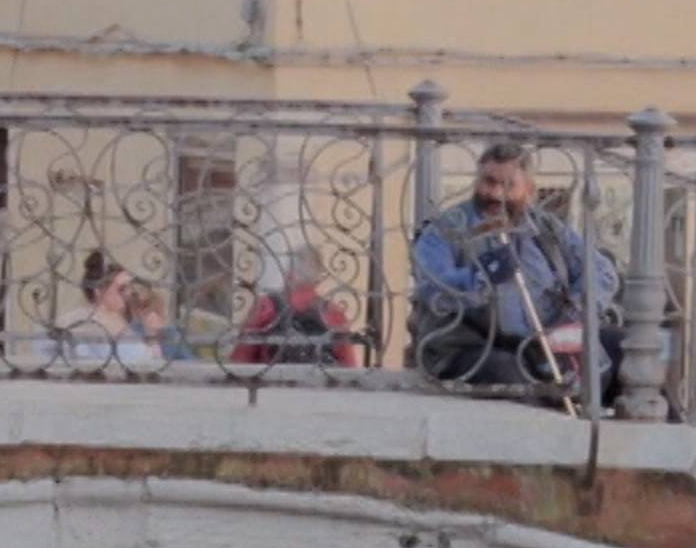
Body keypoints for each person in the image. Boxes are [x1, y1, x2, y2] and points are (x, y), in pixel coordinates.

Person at [410, 141, 614, 392]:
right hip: (471, 345)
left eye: (508, 186)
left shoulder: (547, 228)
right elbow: (431, 286)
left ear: (529, 190)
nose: (495, 194)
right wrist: (480, 277)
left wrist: (573, 311)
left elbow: (600, 272)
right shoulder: (445, 229)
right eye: (489, 181)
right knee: (511, 375)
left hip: (543, 343)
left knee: (619, 353)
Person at [33, 252, 167, 367]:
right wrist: (152, 335)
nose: (128, 294)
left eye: (130, 288)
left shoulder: (83, 316)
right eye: (121, 289)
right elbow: (144, 363)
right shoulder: (105, 321)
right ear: (99, 291)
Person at [232, 255, 361, 368]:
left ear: (289, 273)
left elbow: (241, 361)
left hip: (273, 388)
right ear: (318, 277)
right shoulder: (334, 313)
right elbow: (348, 367)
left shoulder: (266, 306)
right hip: (319, 390)